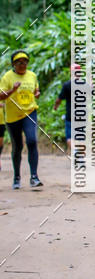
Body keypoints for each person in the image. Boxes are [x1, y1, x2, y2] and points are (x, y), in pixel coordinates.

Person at [0, 50, 43, 189]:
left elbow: (36, 90)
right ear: (13, 64)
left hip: (29, 112)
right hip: (13, 116)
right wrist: (12, 90)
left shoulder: (32, 75)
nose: (22, 64)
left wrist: (37, 93)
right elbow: (1, 96)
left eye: (25, 61)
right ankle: (17, 177)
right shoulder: (7, 77)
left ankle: (34, 177)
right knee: (17, 146)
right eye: (19, 62)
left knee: (32, 141)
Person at [54, 64, 81, 153]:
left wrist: (56, 106)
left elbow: (59, 99)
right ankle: (79, 152)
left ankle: (75, 151)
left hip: (70, 114)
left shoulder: (67, 85)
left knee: (69, 136)